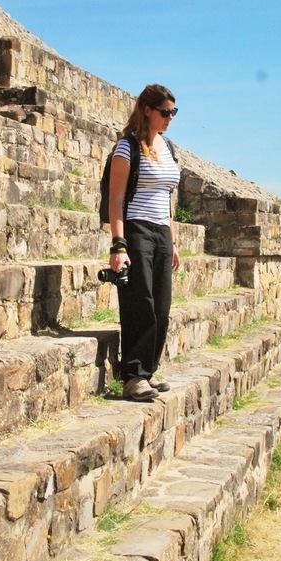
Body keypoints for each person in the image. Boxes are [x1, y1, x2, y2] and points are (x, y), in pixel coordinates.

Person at [107, 84, 181, 401]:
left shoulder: (169, 149)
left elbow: (166, 198)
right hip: (136, 229)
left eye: (173, 113)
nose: (169, 118)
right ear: (147, 110)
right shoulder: (127, 147)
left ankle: (147, 372)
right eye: (165, 112)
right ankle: (133, 376)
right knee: (142, 304)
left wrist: (173, 242)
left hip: (161, 233)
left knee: (162, 308)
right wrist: (118, 245)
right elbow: (116, 198)